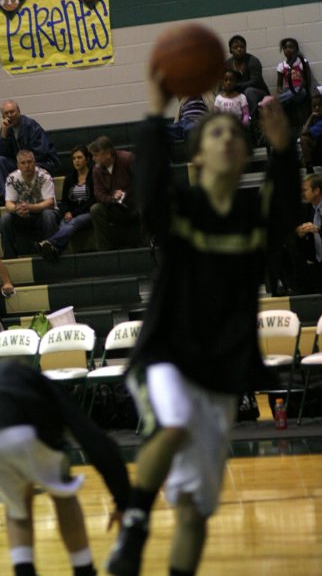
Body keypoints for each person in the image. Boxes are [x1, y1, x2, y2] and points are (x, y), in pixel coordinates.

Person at [105, 85, 300, 576]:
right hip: (166, 355)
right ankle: (133, 528)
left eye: (236, 132)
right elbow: (149, 184)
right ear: (196, 152)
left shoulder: (252, 220)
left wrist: (283, 148)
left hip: (219, 370)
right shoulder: (180, 210)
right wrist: (153, 112)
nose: (228, 139)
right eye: (216, 131)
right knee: (174, 424)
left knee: (194, 511)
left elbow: (284, 207)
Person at [0, 361, 130, 576]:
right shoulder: (40, 382)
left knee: (17, 504)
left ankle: (24, 570)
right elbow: (92, 437)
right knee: (63, 495)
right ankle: (84, 569)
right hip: (26, 429)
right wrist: (123, 500)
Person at [38, 145, 95, 260]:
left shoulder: (94, 176)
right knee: (63, 224)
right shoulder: (69, 179)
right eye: (74, 158)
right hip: (71, 213)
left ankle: (49, 242)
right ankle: (55, 250)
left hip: (88, 212)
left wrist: (73, 214)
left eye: (79, 157)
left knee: (73, 222)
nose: (76, 161)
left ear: (87, 159)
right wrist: (67, 212)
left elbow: (93, 200)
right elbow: (64, 202)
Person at [0, 100, 59, 200]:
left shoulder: (30, 125)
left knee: (27, 165)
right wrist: (3, 135)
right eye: (6, 113)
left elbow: (41, 151)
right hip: (20, 164)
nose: (10, 115)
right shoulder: (6, 129)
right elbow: (1, 153)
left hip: (41, 162)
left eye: (12, 112)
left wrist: (23, 163)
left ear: (19, 111)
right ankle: (6, 198)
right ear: (3, 116)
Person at [0, 149, 59, 258]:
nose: (27, 165)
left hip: (42, 215)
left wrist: (30, 207)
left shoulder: (44, 176)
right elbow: (8, 204)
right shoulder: (12, 178)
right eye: (23, 163)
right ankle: (10, 257)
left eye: (29, 162)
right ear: (18, 165)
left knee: (48, 215)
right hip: (23, 215)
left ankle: (53, 249)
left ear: (34, 162)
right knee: (5, 219)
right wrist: (17, 208)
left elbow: (50, 203)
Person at [88, 136, 140, 251]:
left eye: (96, 155)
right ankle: (105, 249)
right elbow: (98, 194)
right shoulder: (96, 169)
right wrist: (112, 198)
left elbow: (141, 182)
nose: (93, 158)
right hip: (114, 206)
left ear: (107, 154)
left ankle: (148, 245)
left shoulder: (128, 159)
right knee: (95, 209)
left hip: (134, 203)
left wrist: (126, 194)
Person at [287, 174, 322, 295]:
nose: (302, 193)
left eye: (305, 190)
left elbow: (318, 230)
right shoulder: (308, 209)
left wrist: (318, 229)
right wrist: (300, 234)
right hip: (316, 266)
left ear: (316, 190)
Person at [224, 35, 269, 115]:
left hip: (259, 93)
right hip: (238, 92)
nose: (239, 49)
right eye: (235, 47)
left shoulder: (253, 61)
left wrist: (236, 86)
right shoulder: (228, 64)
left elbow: (255, 82)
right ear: (230, 50)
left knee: (249, 91)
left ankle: (251, 122)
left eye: (242, 47)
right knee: (220, 94)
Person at [276, 38, 311, 113]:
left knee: (302, 92)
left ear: (296, 49)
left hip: (299, 90)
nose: (288, 49)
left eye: (291, 47)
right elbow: (279, 86)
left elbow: (307, 80)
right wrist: (280, 91)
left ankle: (275, 101)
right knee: (285, 101)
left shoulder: (302, 62)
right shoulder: (282, 65)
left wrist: (298, 89)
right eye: (285, 48)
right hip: (286, 91)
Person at [299, 93, 322, 173]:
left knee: (304, 139)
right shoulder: (316, 119)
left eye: (319, 105)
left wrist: (311, 116)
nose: (317, 108)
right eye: (314, 106)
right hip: (317, 148)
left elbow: (304, 132)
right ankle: (308, 166)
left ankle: (309, 167)